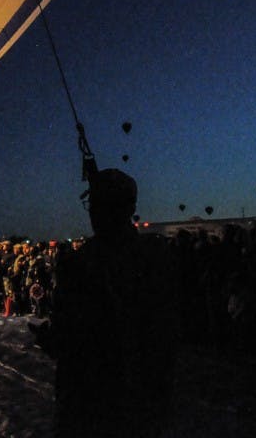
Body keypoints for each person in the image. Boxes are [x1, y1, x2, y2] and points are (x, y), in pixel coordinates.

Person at [34, 168, 179, 438]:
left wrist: (48, 337)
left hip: (90, 399)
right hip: (143, 398)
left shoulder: (79, 264)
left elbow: (72, 337)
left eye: (95, 204)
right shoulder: (155, 257)